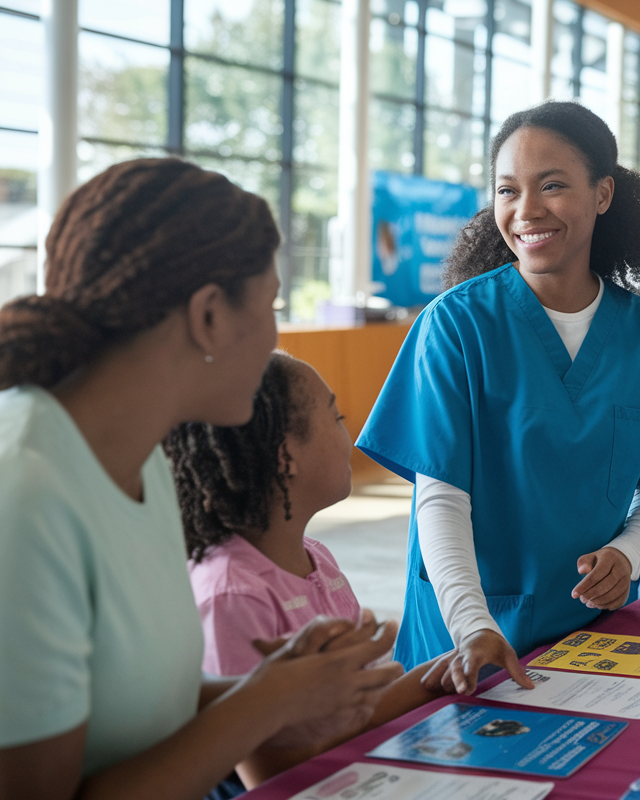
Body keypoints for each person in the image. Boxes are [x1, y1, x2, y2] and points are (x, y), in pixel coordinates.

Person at [0, 158, 402, 800]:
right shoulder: (26, 494)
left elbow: (129, 701)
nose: (274, 332)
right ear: (210, 315)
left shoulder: (144, 464)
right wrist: (265, 704)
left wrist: (294, 685)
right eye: (270, 303)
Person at [357, 102, 640, 694]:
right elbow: (440, 498)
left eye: (552, 186)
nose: (526, 211)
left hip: (588, 632)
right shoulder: (455, 326)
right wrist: (472, 624)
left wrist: (627, 553)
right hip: (461, 631)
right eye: (506, 190)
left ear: (602, 194)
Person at [165, 352, 456, 788]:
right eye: (337, 418)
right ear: (285, 456)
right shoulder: (232, 594)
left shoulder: (316, 556)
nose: (349, 434)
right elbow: (268, 774)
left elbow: (355, 704)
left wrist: (453, 667)